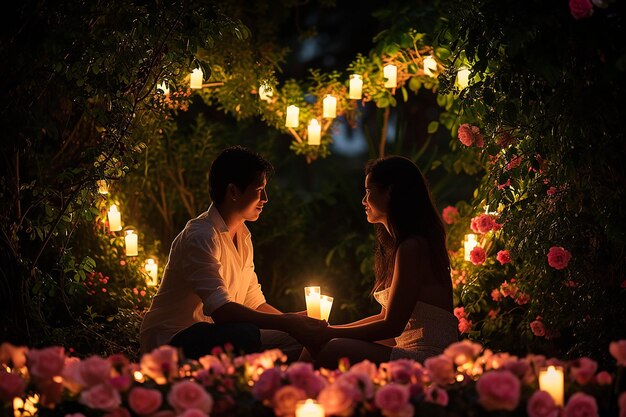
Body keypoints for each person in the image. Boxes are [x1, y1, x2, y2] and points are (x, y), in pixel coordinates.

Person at [140, 146, 324, 360]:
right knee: (244, 335)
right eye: (259, 189)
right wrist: (287, 322)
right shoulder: (201, 236)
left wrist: (296, 325)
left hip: (216, 333)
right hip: (173, 339)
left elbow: (254, 302)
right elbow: (221, 311)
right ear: (234, 192)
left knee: (300, 339)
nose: (265, 198)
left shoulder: (243, 236)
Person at [307, 156, 458, 368]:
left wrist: (328, 333)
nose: (363, 200)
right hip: (409, 351)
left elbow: (391, 326)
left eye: (368, 191)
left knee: (333, 348)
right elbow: (385, 317)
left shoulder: (413, 247)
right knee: (325, 344)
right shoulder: (403, 246)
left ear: (390, 192)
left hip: (430, 360)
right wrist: (328, 331)